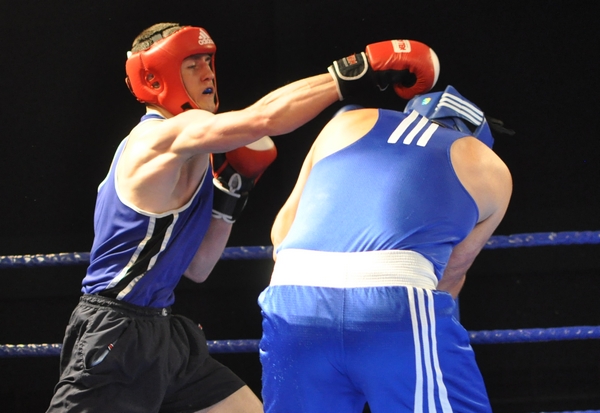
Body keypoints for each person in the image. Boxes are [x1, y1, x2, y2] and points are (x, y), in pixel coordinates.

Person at [45, 22, 440, 413]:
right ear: (155, 78)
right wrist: (358, 69)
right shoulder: (156, 137)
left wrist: (233, 189)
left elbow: (199, 266)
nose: (207, 73)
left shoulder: (194, 151)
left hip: (163, 331)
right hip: (116, 332)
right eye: (192, 65)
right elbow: (263, 119)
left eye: (207, 62)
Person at [258, 85, 513, 412]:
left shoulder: (344, 123)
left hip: (292, 297)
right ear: (476, 137)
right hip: (394, 301)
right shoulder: (488, 165)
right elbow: (449, 277)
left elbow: (281, 233)